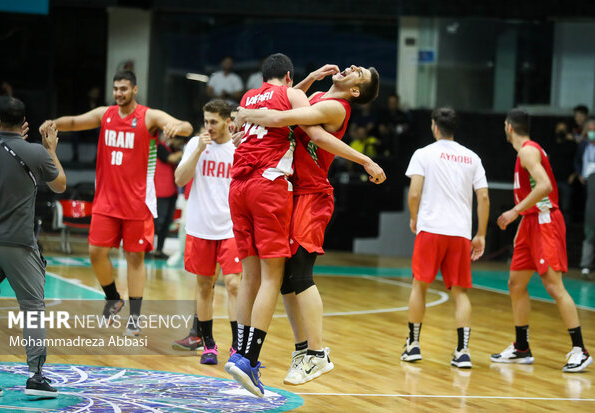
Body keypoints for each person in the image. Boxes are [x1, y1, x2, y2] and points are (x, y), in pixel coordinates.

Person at [225, 54, 384, 398]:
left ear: (355, 90)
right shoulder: (316, 98)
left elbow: (286, 116)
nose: (352, 66)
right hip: (290, 191)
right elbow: (284, 99)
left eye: (359, 72)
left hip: (312, 195)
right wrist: (309, 79)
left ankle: (316, 352)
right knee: (282, 280)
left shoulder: (337, 108)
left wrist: (365, 160)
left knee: (299, 274)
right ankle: (301, 350)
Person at [39, 70, 193, 335]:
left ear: (134, 89)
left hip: (137, 203)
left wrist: (176, 127)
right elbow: (75, 122)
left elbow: (186, 126)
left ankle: (135, 317)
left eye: (124, 89)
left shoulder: (149, 116)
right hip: (106, 201)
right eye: (116, 89)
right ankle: (113, 298)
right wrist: (53, 123)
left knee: (135, 259)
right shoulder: (105, 114)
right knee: (95, 253)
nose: (119, 93)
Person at [0, 96, 66, 398]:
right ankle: (36, 377)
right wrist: (49, 149)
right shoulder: (37, 153)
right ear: (24, 123)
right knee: (33, 309)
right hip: (19, 244)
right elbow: (60, 185)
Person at [491, 108, 592, 372]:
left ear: (509, 127)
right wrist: (522, 222)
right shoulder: (525, 151)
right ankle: (521, 347)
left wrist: (515, 211)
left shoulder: (527, 150)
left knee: (553, 285)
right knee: (516, 283)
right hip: (531, 222)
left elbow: (546, 185)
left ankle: (580, 350)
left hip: (546, 221)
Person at [400, 107, 489, 369]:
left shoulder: (423, 154)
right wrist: (481, 234)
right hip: (460, 233)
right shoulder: (472, 157)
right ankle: (463, 352)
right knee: (460, 292)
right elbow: (483, 197)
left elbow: (414, 193)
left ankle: (413, 345)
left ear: (434, 126)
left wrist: (414, 217)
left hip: (431, 229)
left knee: (420, 286)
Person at [172, 99, 241, 365]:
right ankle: (209, 344)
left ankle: (236, 347)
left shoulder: (238, 148)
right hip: (200, 227)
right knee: (204, 286)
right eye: (206, 121)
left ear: (227, 121)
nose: (209, 126)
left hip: (231, 228)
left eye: (214, 121)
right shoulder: (195, 145)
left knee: (234, 285)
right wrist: (198, 151)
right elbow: (180, 179)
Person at [153, 134, 184, 259]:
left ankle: (159, 250)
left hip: (172, 191)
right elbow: (170, 158)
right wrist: (186, 151)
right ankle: (145, 248)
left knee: (166, 223)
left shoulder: (173, 149)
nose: (179, 144)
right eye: (178, 141)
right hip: (160, 192)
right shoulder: (160, 147)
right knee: (157, 222)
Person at [579, 118, 595, 277]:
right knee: (590, 228)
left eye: (594, 129)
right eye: (589, 129)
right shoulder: (583, 145)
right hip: (589, 191)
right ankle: (586, 265)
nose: (591, 132)